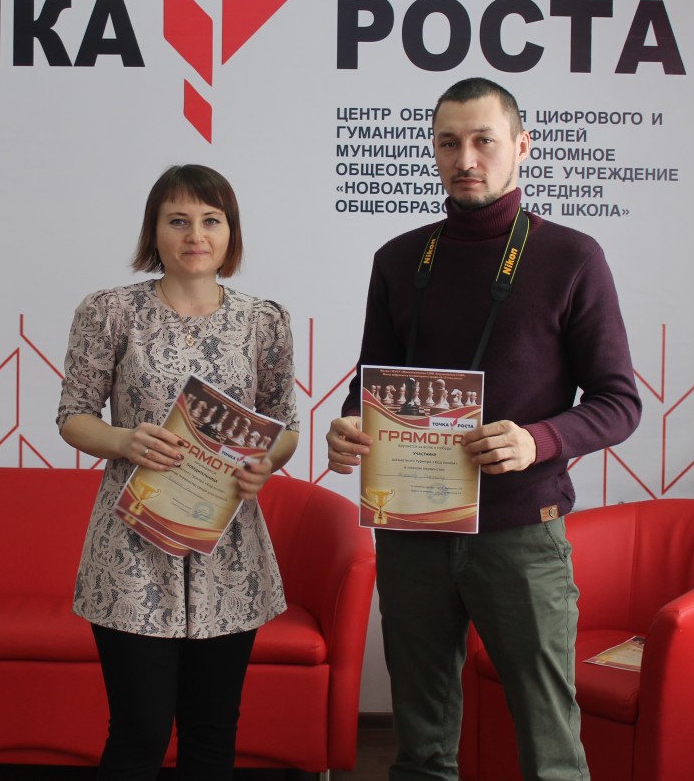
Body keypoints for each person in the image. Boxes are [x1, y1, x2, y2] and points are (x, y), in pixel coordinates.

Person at [326, 77, 642, 781]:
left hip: (520, 533)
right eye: (448, 143)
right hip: (411, 528)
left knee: (550, 750)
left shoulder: (572, 257)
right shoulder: (399, 259)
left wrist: (538, 440)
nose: (464, 158)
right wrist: (348, 426)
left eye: (483, 141)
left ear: (521, 147)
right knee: (421, 748)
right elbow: (372, 381)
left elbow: (619, 402)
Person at [58, 164, 299, 781]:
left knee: (213, 733)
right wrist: (124, 439)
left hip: (229, 552)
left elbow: (285, 426)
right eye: (178, 220)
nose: (196, 235)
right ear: (154, 231)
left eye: (211, 220)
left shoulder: (264, 321)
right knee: (138, 732)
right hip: (132, 547)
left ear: (230, 232)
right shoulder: (111, 312)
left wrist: (265, 464)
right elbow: (73, 416)